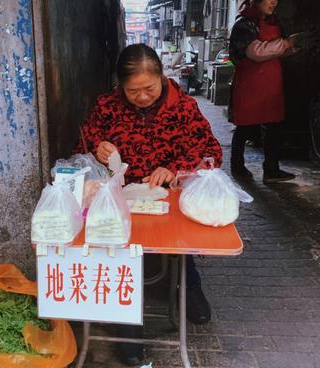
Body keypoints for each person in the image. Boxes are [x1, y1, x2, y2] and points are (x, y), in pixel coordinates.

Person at [75, 43, 222, 366]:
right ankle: (127, 325)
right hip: (121, 199)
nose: (142, 97)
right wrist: (97, 151)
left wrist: (175, 168)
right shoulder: (106, 107)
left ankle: (189, 287)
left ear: (162, 77)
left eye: (149, 89)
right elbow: (83, 147)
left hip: (165, 200)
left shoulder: (183, 108)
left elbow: (210, 151)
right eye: (133, 91)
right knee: (121, 254)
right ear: (120, 86)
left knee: (178, 246)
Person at [228, 0, 300, 183]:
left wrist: (294, 48)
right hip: (250, 83)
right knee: (244, 127)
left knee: (274, 126)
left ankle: (271, 169)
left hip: (271, 83)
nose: (274, 2)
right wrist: (287, 43)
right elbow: (256, 52)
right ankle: (237, 166)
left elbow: (278, 50)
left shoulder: (273, 22)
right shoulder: (244, 24)